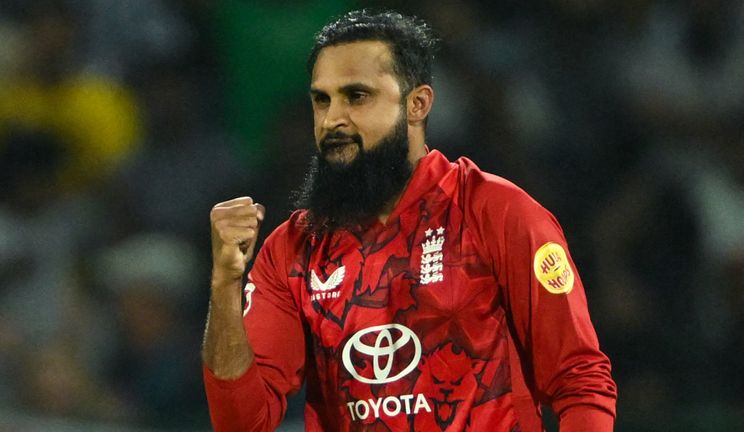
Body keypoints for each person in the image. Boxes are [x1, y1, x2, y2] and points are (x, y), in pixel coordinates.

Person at [202, 9, 616, 431]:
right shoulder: (292, 249)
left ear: (417, 104)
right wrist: (224, 285)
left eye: (357, 96)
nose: (332, 120)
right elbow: (241, 424)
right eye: (321, 100)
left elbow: (579, 381)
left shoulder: (497, 213)